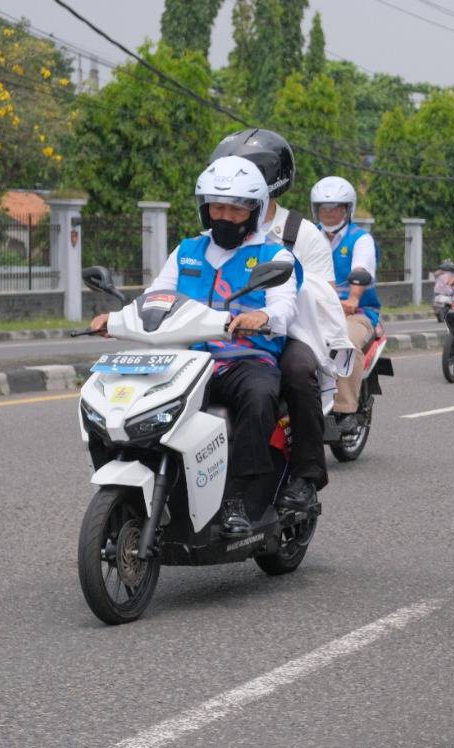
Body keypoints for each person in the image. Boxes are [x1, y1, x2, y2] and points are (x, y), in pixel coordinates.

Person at [90, 157, 302, 536]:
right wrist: (117, 319)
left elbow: (284, 307)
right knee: (123, 400)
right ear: (205, 209)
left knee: (259, 396)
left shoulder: (274, 256)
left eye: (235, 209)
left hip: (243, 359)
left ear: (253, 212)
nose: (224, 216)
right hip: (186, 360)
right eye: (216, 207)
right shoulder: (186, 250)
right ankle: (138, 489)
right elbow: (155, 295)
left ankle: (241, 499)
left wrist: (263, 318)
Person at [209, 128, 351, 512]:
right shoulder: (216, 230)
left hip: (290, 333)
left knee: (298, 373)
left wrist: (273, 308)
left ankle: (306, 477)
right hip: (225, 334)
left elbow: (322, 298)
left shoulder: (300, 234)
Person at [311, 176, 380, 436]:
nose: (328, 214)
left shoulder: (360, 239)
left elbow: (361, 269)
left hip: (356, 313)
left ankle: (345, 409)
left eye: (335, 208)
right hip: (313, 311)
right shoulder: (309, 236)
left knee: (346, 341)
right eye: (323, 209)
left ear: (347, 209)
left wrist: (352, 299)